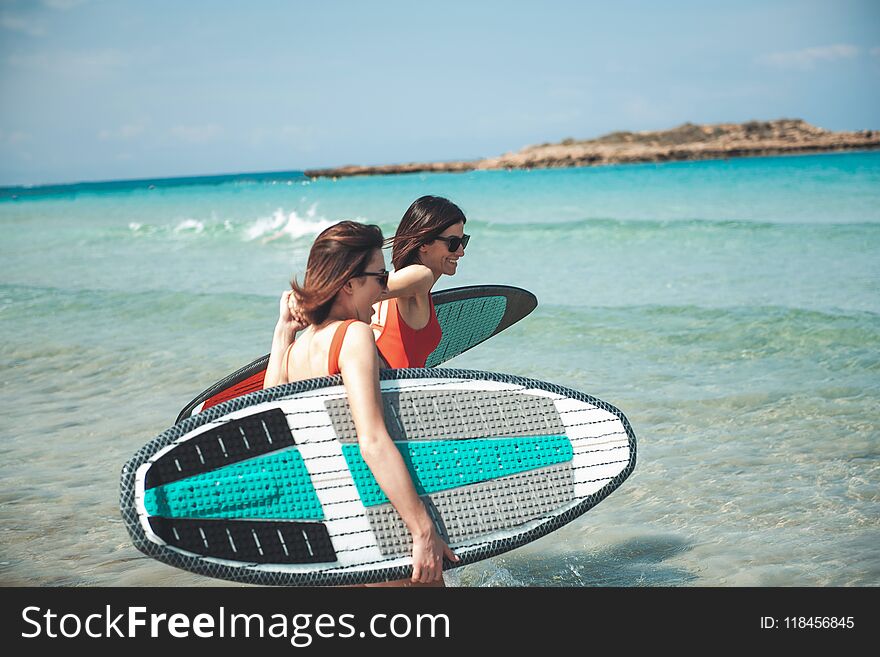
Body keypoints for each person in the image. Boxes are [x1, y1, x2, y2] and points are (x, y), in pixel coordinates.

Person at [263, 220, 458, 586]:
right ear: (350, 283)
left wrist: (284, 329)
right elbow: (372, 440)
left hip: (340, 525)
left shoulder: (294, 352)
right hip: (384, 512)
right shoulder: (353, 335)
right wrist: (421, 530)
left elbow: (271, 419)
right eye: (380, 279)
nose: (384, 290)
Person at [372, 195, 470, 368]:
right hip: (391, 391)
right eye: (453, 243)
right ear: (424, 243)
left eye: (463, 241)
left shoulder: (407, 286)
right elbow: (359, 290)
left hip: (401, 390)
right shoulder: (419, 277)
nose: (461, 252)